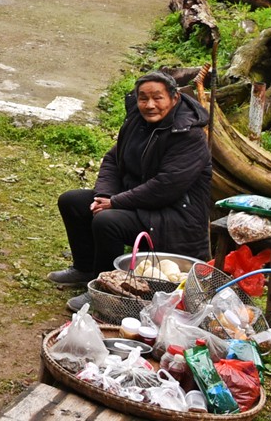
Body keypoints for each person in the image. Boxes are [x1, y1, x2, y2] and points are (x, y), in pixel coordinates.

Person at [49, 72, 213, 288]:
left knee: (107, 221)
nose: (150, 105)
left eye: (158, 97)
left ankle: (106, 288)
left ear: (174, 99)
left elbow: (165, 187)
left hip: (174, 217)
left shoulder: (189, 136)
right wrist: (104, 195)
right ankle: (85, 269)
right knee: (72, 201)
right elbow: (113, 160)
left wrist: (115, 203)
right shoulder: (138, 121)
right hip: (139, 204)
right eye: (143, 98)